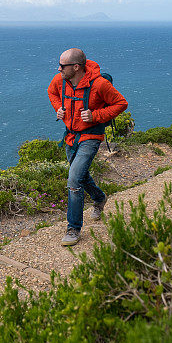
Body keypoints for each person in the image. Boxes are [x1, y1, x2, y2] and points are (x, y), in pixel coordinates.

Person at [48, 48, 128, 246]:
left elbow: (121, 103)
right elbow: (51, 92)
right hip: (71, 136)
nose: (59, 69)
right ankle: (99, 198)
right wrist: (58, 108)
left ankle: (73, 228)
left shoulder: (99, 84)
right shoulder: (61, 81)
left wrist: (95, 116)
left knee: (74, 181)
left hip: (91, 137)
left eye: (62, 66)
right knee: (81, 175)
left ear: (76, 67)